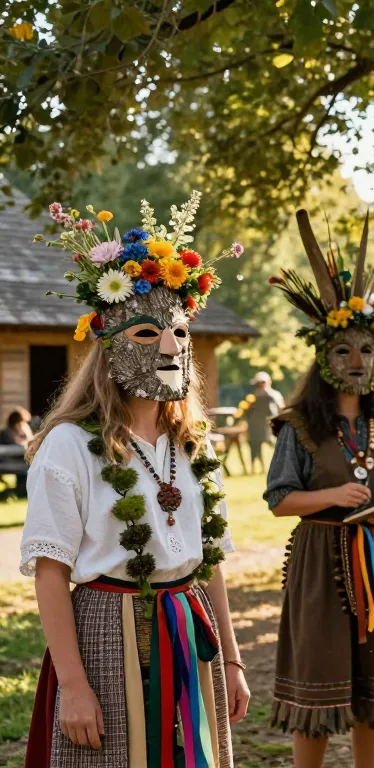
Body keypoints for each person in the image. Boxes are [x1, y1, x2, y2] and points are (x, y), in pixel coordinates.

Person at [21, 196, 250, 766]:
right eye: (150, 333)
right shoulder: (70, 445)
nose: (171, 347)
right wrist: (73, 685)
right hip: (104, 632)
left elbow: (210, 560)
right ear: (112, 345)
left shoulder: (192, 444)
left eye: (179, 331)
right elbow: (50, 574)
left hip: (188, 626)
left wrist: (233, 659)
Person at [265, 209, 374, 768]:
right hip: (318, 564)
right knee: (320, 681)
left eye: (367, 352)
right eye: (343, 351)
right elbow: (280, 499)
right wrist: (334, 498)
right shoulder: (298, 426)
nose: (358, 362)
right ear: (323, 357)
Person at [246, 371, 284, 474]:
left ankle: (281, 466)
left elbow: (279, 410)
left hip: (270, 426)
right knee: (254, 447)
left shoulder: (272, 395)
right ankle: (255, 468)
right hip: (255, 426)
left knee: (278, 446)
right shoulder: (253, 397)